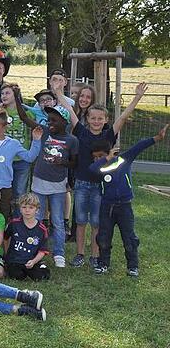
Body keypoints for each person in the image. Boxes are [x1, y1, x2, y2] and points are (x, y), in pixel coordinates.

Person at [55, 82, 147, 269]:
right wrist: (57, 91)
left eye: (100, 118)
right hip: (81, 183)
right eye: (93, 118)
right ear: (87, 119)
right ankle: (80, 254)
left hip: (100, 186)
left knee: (97, 223)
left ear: (105, 120)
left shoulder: (108, 135)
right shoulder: (80, 131)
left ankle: (95, 255)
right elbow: (69, 110)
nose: (96, 121)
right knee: (80, 221)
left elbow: (123, 117)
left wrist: (137, 97)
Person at [91, 124, 168, 277]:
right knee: (104, 237)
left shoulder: (123, 160)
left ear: (110, 152)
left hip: (125, 207)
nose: (98, 159)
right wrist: (103, 160)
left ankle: (133, 266)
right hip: (106, 207)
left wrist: (157, 138)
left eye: (101, 155)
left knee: (129, 238)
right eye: (96, 157)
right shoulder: (97, 167)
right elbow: (92, 171)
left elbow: (139, 146)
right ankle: (103, 263)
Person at [26, 105, 78, 268]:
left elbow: (74, 162)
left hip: (58, 186)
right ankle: (35, 250)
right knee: (38, 218)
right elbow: (26, 119)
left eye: (54, 120)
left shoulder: (72, 140)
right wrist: (16, 95)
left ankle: (59, 253)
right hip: (39, 183)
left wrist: (63, 162)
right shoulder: (45, 132)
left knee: (57, 220)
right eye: (49, 120)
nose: (50, 123)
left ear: (65, 122)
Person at [4, 194, 51, 281]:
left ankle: (41, 265)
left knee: (42, 277)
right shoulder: (14, 224)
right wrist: (7, 255)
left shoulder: (42, 229)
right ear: (20, 209)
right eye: (24, 207)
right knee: (17, 276)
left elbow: (42, 251)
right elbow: (6, 238)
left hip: (32, 261)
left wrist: (34, 261)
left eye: (31, 207)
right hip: (15, 261)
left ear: (37, 210)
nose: (27, 210)